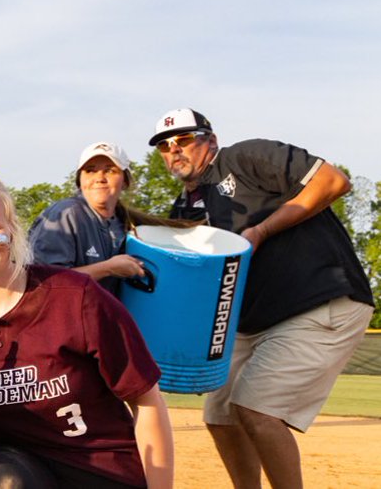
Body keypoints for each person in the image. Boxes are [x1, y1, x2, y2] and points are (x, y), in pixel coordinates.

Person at [149, 108, 373, 489]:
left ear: (210, 141)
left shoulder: (246, 157)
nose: (175, 150)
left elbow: (334, 181)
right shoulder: (184, 210)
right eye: (165, 146)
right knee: (220, 415)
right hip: (254, 322)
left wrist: (263, 229)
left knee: (255, 408)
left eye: (185, 140)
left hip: (318, 301)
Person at [0, 170, 174, 488]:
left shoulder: (76, 297)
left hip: (101, 468)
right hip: (12, 465)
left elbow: (147, 401)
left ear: (12, 229)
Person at [27, 142, 188, 295]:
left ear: (125, 181)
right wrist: (108, 268)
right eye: (90, 170)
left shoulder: (125, 224)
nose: (100, 178)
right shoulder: (64, 214)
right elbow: (45, 283)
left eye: (110, 170)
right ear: (79, 181)